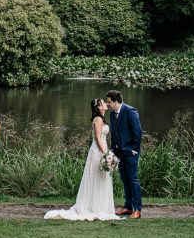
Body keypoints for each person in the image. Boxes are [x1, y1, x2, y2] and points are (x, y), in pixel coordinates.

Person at [44, 98, 122, 221]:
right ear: (98, 107)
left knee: (101, 178)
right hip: (98, 151)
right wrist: (105, 154)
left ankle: (101, 207)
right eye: (103, 103)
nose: (106, 104)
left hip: (102, 149)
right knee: (96, 177)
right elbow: (97, 137)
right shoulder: (98, 119)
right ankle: (93, 207)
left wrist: (107, 152)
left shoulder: (102, 119)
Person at [106, 89, 142, 218]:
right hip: (119, 153)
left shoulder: (130, 111)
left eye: (109, 102)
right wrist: (113, 150)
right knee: (125, 180)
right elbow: (114, 134)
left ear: (116, 102)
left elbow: (137, 131)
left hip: (130, 152)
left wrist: (134, 149)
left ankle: (137, 210)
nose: (107, 104)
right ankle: (127, 207)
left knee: (133, 180)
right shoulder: (112, 114)